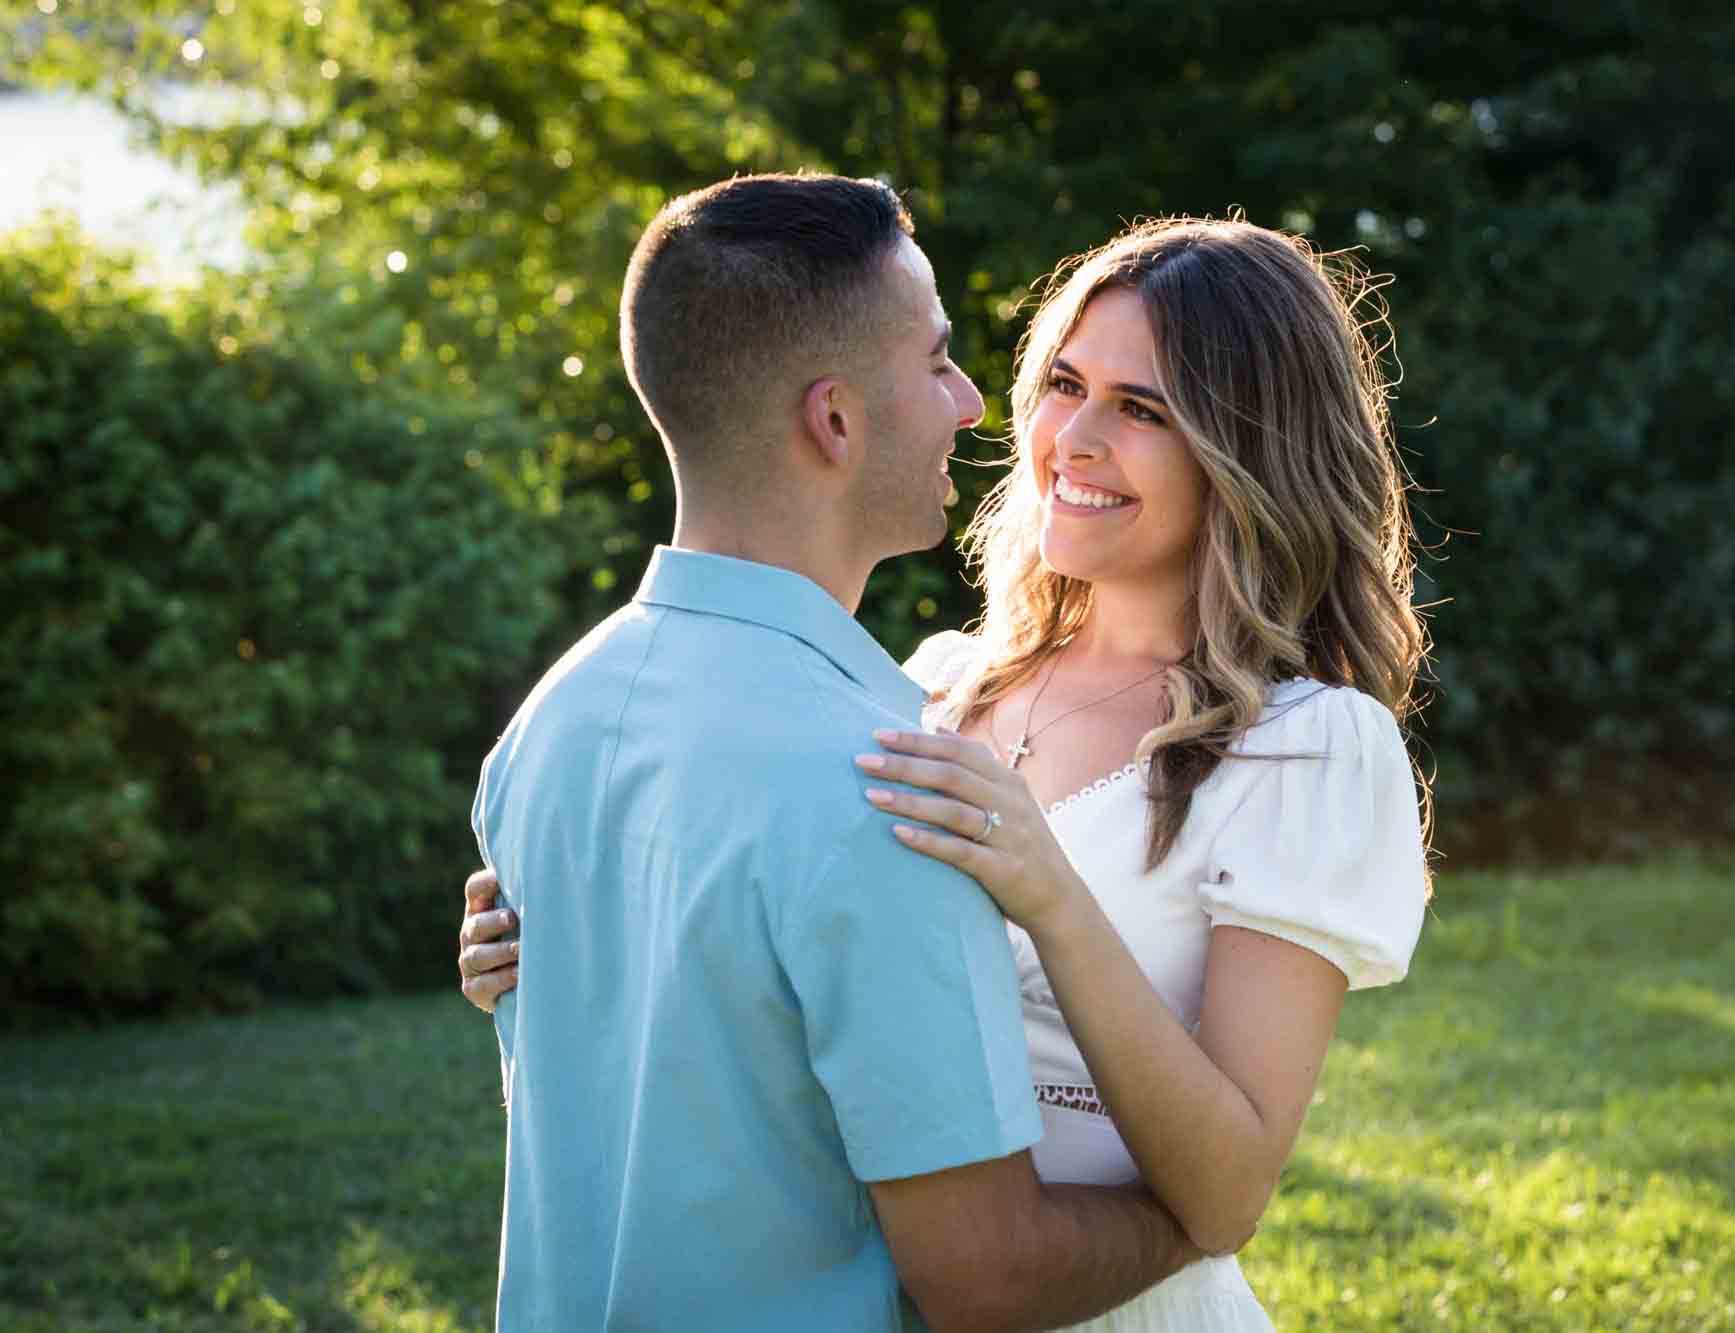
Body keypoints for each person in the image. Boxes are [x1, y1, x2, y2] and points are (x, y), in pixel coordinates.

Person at [462, 214, 1431, 1329]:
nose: (1071, 437)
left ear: (1248, 449)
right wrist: (576, 945)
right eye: (1064, 383)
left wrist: (1054, 899)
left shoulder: (1306, 748)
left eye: (1143, 409)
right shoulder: (934, 685)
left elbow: (1227, 1186)